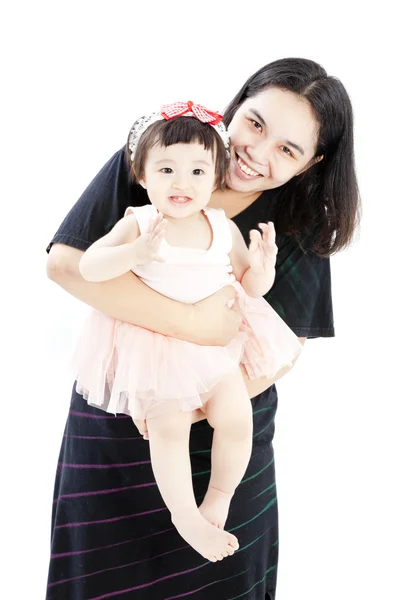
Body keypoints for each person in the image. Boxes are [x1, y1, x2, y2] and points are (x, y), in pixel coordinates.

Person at [45, 58, 360, 599]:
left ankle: (208, 504)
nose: (257, 154)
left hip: (222, 431)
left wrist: (189, 405)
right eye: (255, 124)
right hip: (120, 419)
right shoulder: (165, 152)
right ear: (237, 106)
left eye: (288, 149)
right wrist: (192, 326)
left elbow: (286, 347)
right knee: (98, 580)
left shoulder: (299, 216)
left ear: (313, 162)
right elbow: (66, 264)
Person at [71, 103, 302, 563]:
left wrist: (262, 270)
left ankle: (218, 496)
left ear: (215, 176)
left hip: (215, 351)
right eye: (167, 169)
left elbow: (249, 287)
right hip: (157, 347)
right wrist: (134, 252)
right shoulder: (139, 221)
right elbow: (88, 266)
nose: (182, 182)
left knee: (238, 420)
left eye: (197, 170)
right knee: (169, 430)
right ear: (142, 175)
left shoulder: (221, 226)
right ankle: (184, 516)